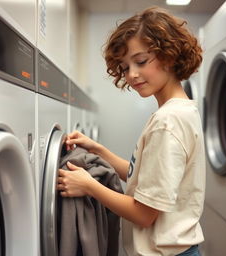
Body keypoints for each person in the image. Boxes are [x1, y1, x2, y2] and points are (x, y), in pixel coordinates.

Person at [57, 6, 205, 256]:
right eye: (125, 67)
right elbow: (145, 178)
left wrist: (89, 186)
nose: (132, 75)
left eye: (141, 61)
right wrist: (99, 150)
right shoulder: (179, 111)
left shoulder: (167, 122)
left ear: (169, 55)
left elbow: (144, 214)